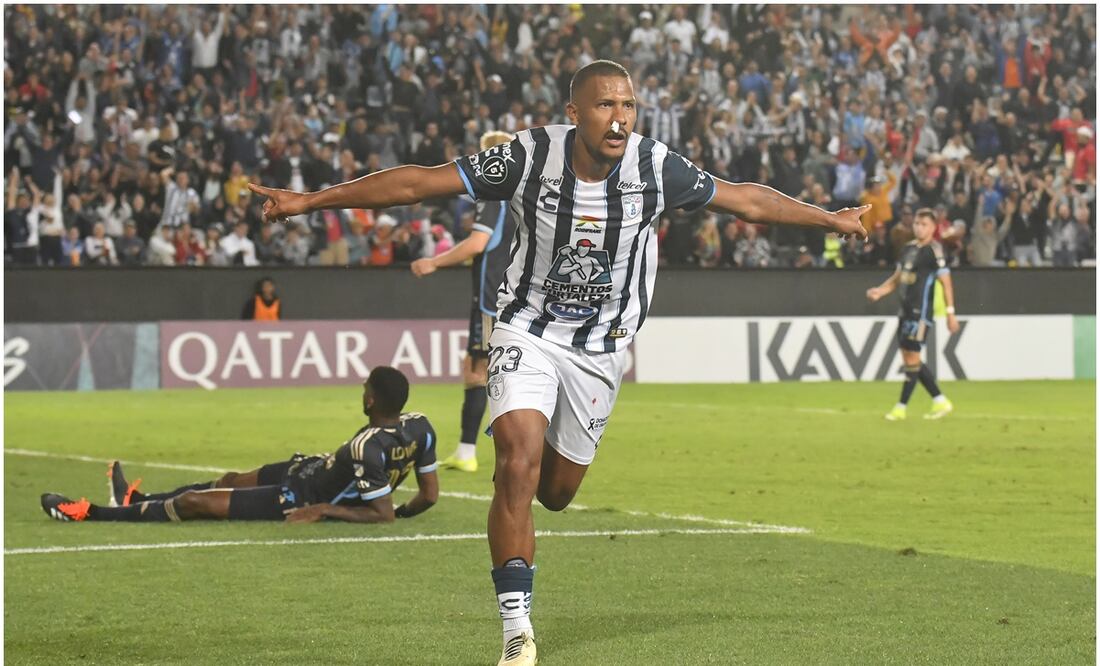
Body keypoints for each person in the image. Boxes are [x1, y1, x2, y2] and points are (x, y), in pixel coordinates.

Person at [248, 59, 867, 666]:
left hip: (602, 350)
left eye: (628, 105)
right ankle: (517, 631)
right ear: (575, 113)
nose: (619, 118)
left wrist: (829, 219)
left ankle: (524, 518)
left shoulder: (656, 167)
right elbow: (416, 183)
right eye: (605, 105)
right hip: (527, 331)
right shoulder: (525, 158)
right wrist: (308, 202)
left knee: (558, 492)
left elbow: (746, 201)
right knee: (516, 462)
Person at [42, 367, 438, 524]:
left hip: (296, 496)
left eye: (364, 388)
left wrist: (323, 509)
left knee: (196, 503)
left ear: (370, 400)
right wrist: (408, 512)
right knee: (228, 478)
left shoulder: (366, 446)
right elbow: (429, 495)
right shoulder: (421, 427)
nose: (362, 392)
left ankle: (89, 514)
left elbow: (381, 514)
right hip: (307, 468)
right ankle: (133, 497)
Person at [410, 130, 517, 473]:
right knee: (484, 369)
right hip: (512, 293)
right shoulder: (523, 196)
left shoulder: (493, 194)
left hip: (491, 297)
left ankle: (471, 451)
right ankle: (469, 449)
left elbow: (476, 244)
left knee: (480, 370)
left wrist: (434, 262)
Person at [866, 208, 961, 421]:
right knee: (910, 359)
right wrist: (880, 291)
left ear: (933, 227)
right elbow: (898, 277)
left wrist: (950, 313)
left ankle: (901, 407)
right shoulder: (907, 249)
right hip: (905, 311)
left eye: (924, 224)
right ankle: (940, 400)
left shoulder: (934, 251)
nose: (919, 227)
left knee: (913, 358)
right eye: (917, 223)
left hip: (921, 312)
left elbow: (946, 283)